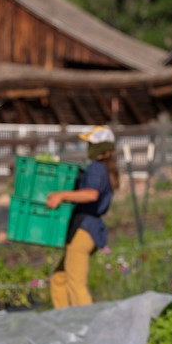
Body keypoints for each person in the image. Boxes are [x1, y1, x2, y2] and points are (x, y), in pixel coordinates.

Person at [46, 125, 118, 308]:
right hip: (87, 229)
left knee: (76, 284)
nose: (87, 149)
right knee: (59, 278)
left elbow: (91, 194)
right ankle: (63, 319)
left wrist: (61, 195)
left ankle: (86, 326)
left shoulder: (96, 168)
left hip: (84, 231)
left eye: (90, 144)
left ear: (99, 148)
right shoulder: (103, 169)